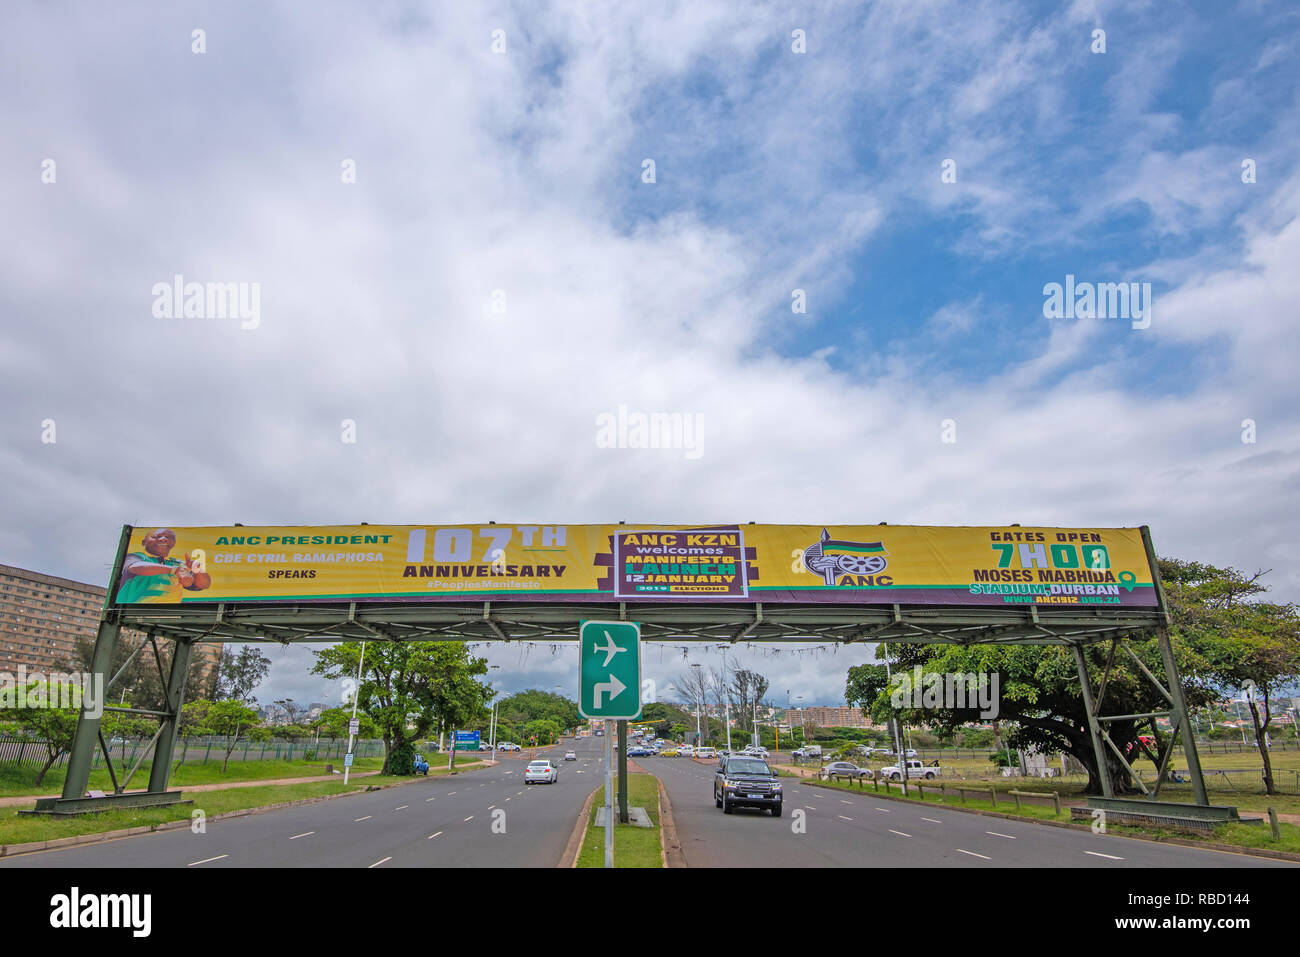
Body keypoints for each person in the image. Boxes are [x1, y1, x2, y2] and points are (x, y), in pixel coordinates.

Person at [116, 528, 211, 602]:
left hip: (167, 614)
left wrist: (197, 571)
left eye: (169, 538)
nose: (164, 539)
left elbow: (204, 585)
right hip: (134, 609)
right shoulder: (137, 557)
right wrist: (175, 570)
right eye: (156, 536)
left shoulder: (176, 563)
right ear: (143, 542)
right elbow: (136, 567)